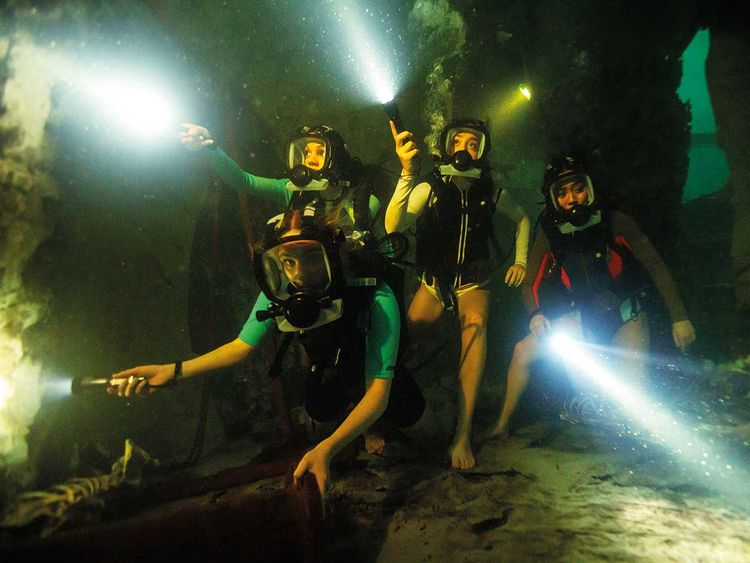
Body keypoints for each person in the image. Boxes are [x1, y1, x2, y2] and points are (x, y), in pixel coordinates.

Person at [110, 209, 424, 498]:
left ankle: (374, 425)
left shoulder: (375, 295)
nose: (299, 274)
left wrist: (326, 449)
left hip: (365, 360)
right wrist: (173, 370)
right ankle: (357, 420)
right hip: (330, 361)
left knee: (408, 409)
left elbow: (378, 393)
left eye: (311, 257)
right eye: (288, 261)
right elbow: (241, 347)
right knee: (319, 407)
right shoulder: (280, 293)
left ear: (335, 253)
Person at [481, 155, 696, 440]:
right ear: (553, 199)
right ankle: (501, 425)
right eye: (562, 193)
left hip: (624, 315)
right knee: (522, 352)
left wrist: (679, 317)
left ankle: (617, 417)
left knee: (633, 408)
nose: (572, 199)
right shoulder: (550, 232)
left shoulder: (615, 221)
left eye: (578, 189)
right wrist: (536, 314)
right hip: (579, 319)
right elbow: (530, 283)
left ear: (590, 189)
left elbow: (655, 266)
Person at [386, 118, 531, 469]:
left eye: (473, 144)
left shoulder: (492, 190)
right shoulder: (429, 186)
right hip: (434, 283)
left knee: (475, 326)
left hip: (473, 283)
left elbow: (523, 219)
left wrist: (521, 261)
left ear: (482, 151)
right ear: (446, 147)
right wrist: (406, 173)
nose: (464, 149)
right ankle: (382, 418)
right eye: (458, 142)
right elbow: (393, 225)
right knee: (403, 341)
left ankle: (462, 434)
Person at [180, 123, 382, 236]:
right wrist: (210, 148)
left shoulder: (363, 200)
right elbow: (244, 181)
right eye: (306, 152)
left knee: (382, 294)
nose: (310, 159)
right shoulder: (291, 190)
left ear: (335, 157)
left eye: (320, 152)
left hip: (348, 280)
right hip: (300, 274)